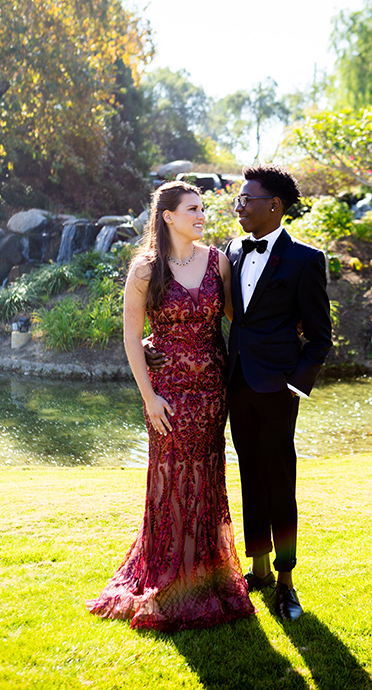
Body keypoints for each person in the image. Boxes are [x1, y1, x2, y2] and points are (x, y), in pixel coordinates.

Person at [87, 181, 255, 632]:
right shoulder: (145, 269)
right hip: (167, 391)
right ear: (168, 216)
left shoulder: (217, 261)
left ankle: (207, 572)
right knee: (171, 474)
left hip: (212, 388)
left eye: (203, 208)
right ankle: (168, 574)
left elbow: (238, 320)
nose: (202, 216)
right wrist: (150, 397)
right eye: (193, 209)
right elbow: (130, 338)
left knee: (206, 475)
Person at [225, 164, 332, 620]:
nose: (239, 206)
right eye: (239, 198)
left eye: (247, 199)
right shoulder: (229, 250)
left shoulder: (306, 259)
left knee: (280, 482)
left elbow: (321, 337)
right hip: (236, 383)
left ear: (274, 205)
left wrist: (294, 385)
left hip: (277, 389)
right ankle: (261, 569)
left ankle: (287, 581)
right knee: (249, 475)